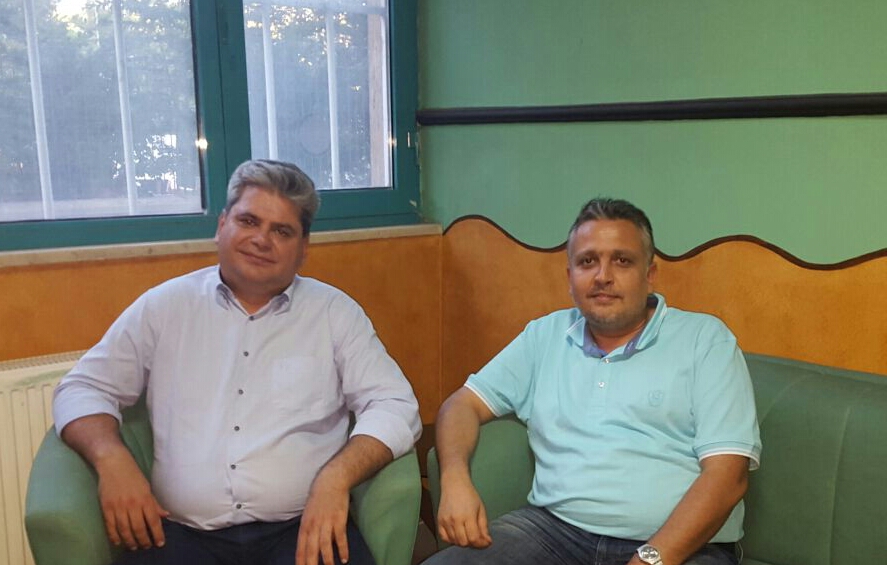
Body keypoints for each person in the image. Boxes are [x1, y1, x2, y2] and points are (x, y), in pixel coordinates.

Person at [53, 159, 422, 565]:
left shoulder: (335, 313)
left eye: (282, 231)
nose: (261, 240)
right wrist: (111, 458)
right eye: (248, 221)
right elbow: (83, 387)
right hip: (179, 534)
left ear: (303, 248)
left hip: (302, 531)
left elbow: (394, 404)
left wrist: (336, 478)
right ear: (222, 225)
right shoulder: (165, 307)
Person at [427, 198, 761, 565]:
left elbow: (728, 477)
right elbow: (462, 404)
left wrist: (651, 559)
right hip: (553, 533)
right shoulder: (544, 335)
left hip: (679, 547)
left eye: (622, 260)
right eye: (587, 261)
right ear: (569, 276)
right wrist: (455, 479)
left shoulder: (705, 340)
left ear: (650, 274)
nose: (603, 276)